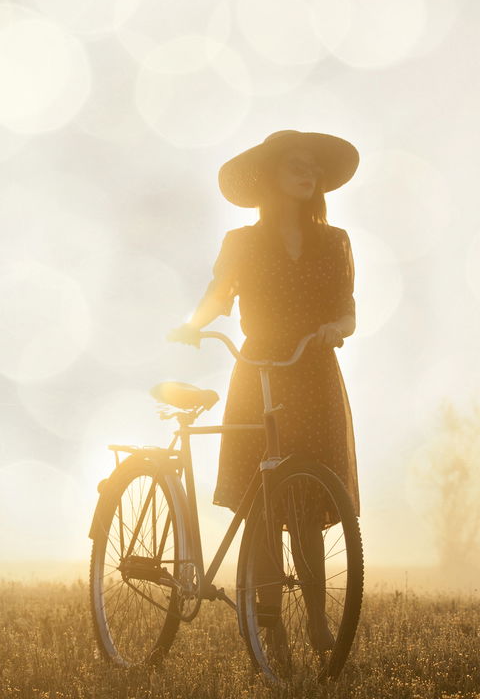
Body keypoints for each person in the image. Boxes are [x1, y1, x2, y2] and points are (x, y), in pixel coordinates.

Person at [167, 129, 360, 663]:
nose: (309, 173)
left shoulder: (335, 240)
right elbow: (218, 293)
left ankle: (319, 617)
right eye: (296, 164)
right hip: (258, 368)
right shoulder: (242, 243)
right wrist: (192, 325)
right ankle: (271, 628)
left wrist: (336, 329)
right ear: (271, 176)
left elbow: (348, 307)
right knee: (264, 502)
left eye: (313, 167)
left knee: (309, 497)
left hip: (314, 368)